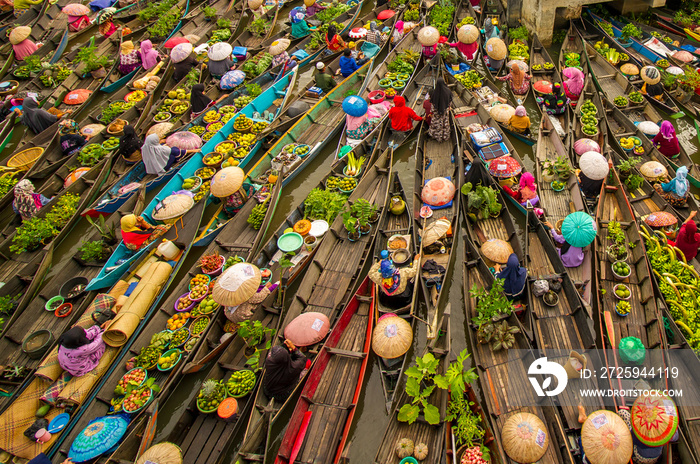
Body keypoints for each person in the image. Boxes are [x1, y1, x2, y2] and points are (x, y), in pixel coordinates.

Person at [427, 77, 451, 142]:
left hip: (437, 114)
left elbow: (432, 107)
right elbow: (449, 103)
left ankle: (437, 137)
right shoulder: (448, 91)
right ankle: (444, 137)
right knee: (444, 125)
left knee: (436, 126)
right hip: (445, 113)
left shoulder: (435, 93)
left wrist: (432, 112)